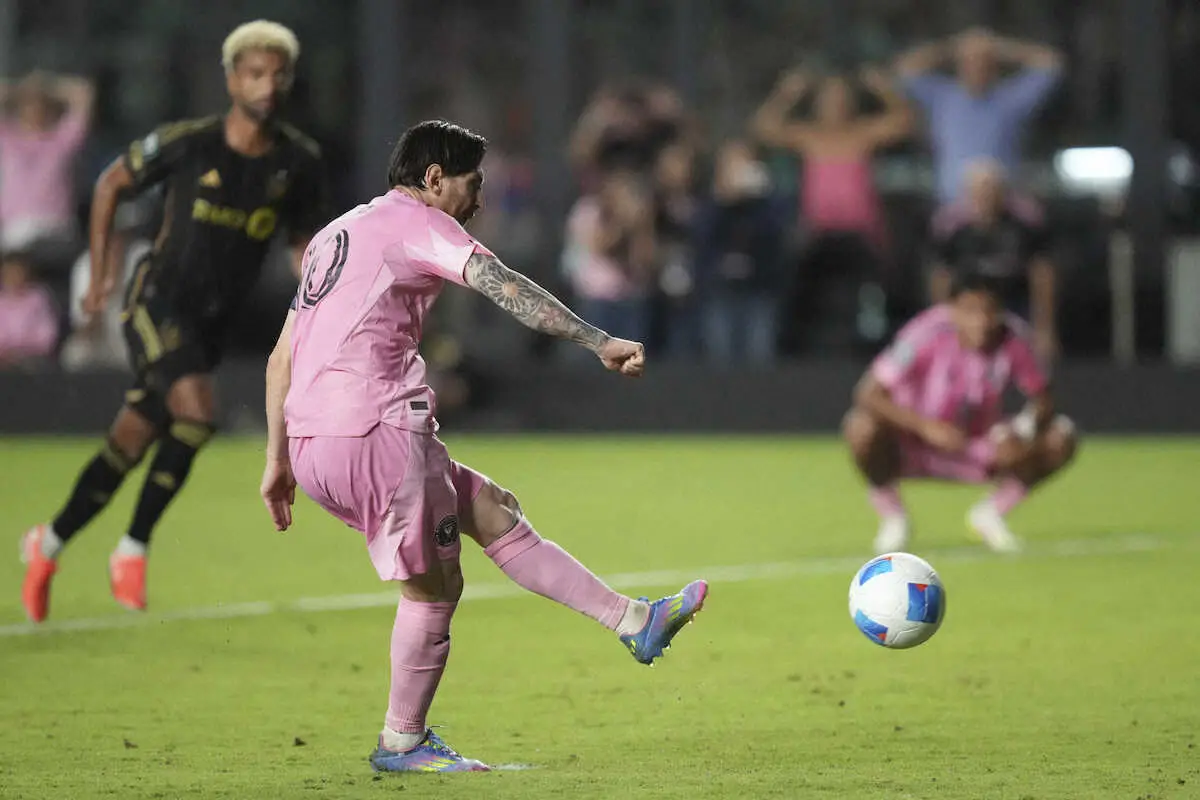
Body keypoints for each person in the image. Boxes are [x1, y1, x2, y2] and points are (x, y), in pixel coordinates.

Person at [261, 120, 708, 772]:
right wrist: (598, 341)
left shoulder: (337, 234)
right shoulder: (422, 224)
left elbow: (281, 357)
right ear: (434, 178)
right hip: (376, 431)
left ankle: (635, 622)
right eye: (474, 183)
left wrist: (277, 460)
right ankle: (402, 741)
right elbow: (509, 290)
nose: (479, 199)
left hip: (313, 443)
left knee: (492, 509)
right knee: (434, 589)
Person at [19, 20, 328, 623]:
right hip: (156, 302)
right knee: (198, 413)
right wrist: (102, 277)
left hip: (211, 325)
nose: (267, 86)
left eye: (278, 75)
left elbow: (303, 244)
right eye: (255, 74)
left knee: (132, 439)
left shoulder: (299, 161)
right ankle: (132, 549)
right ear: (232, 79)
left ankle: (47, 544)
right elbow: (111, 184)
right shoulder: (191, 142)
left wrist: (320, 296)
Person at [842, 272, 1078, 555]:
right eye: (970, 311)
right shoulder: (925, 332)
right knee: (860, 427)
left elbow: (1043, 399)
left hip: (975, 445)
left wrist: (1021, 429)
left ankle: (990, 514)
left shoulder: (1014, 337)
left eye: (990, 311)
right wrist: (926, 427)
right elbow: (868, 393)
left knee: (1061, 436)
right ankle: (894, 518)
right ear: (952, 309)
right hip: (914, 443)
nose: (981, 321)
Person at [895, 27, 1063, 205]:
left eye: (984, 63)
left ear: (994, 68)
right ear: (960, 67)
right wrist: (953, 47)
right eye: (970, 63)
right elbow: (904, 69)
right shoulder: (942, 97)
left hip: (1002, 203)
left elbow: (1051, 64)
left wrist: (998, 46)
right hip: (953, 204)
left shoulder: (1010, 99)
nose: (977, 69)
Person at [930, 159, 1057, 362]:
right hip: (969, 307)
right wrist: (943, 322)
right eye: (979, 192)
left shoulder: (1024, 225)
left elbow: (1042, 274)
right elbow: (942, 276)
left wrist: (1044, 328)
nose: (985, 198)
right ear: (968, 194)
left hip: (1014, 306)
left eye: (991, 190)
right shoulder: (953, 229)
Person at [0, 70, 94, 255]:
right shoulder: (8, 139)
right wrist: (24, 89)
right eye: (29, 106)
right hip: (16, 231)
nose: (35, 112)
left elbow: (84, 94)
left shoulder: (62, 140)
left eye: (42, 106)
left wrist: (47, 88)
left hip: (55, 229)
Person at [0, 250, 59, 367]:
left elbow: (47, 335)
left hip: (33, 358)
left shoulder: (39, 298)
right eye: (9, 273)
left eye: (17, 273)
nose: (13, 278)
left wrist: (24, 350)